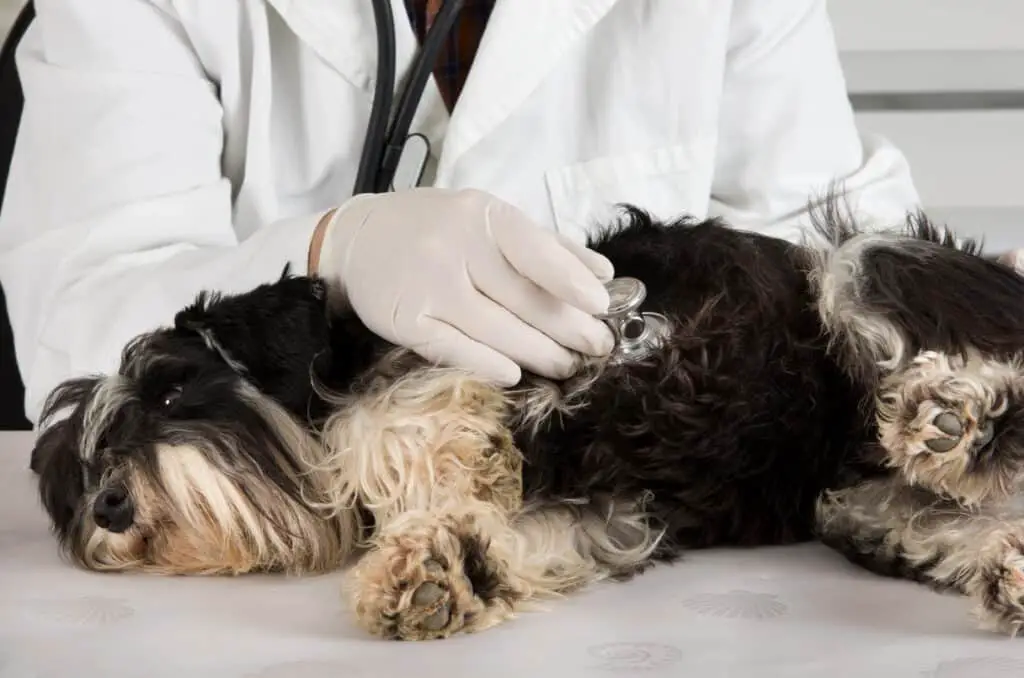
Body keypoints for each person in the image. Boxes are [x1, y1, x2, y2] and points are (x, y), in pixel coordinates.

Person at [0, 0, 921, 426]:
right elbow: (77, 336)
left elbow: (835, 261)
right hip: (253, 590)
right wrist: (330, 258)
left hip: (624, 570)